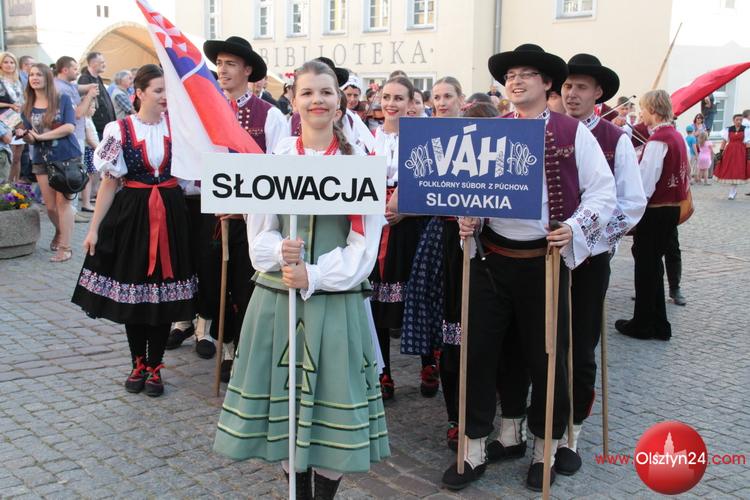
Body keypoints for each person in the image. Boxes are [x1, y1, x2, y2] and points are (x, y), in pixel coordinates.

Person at [442, 44, 615, 492]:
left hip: (545, 263)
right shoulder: (490, 131)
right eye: (510, 75)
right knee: (479, 354)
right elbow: (469, 187)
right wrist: (469, 216)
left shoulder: (572, 132)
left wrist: (574, 227)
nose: (516, 81)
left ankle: (545, 448)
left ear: (547, 83)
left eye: (526, 74)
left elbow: (603, 192)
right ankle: (474, 447)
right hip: (491, 260)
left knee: (548, 360)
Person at [212, 59, 389, 500]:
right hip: (278, 302)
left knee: (332, 410)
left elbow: (364, 246)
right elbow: (259, 237)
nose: (317, 100)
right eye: (307, 92)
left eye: (326, 92)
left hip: (335, 301)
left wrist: (316, 273)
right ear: (293, 100)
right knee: (287, 413)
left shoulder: (359, 163)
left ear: (340, 101)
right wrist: (279, 251)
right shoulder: (276, 160)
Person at [167, 36, 287, 381]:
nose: (222, 70)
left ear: (248, 70)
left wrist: (248, 207)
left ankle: (244, 353)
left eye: (230, 64)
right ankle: (225, 343)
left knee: (246, 284)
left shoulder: (270, 115)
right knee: (213, 282)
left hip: (253, 218)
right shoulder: (203, 112)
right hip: (211, 214)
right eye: (219, 63)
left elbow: (277, 169)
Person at [71, 64, 196, 397]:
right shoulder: (119, 129)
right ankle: (138, 362)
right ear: (139, 93)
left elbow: (192, 177)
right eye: (158, 90)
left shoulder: (178, 127)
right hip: (133, 217)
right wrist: (94, 229)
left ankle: (155, 365)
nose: (165, 97)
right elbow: (109, 182)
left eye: (168, 91)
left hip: (170, 215)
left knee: (164, 293)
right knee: (135, 292)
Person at [557, 53, 646, 474]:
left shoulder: (615, 139)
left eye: (581, 87)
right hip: (540, 258)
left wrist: (586, 238)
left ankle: (572, 431)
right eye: (567, 85)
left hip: (589, 261)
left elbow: (631, 205)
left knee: (580, 346)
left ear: (598, 94)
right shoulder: (546, 131)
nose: (572, 93)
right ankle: (536, 424)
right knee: (541, 342)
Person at [402, 76, 465, 451]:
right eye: (436, 97)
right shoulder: (424, 137)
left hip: (468, 238)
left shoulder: (476, 136)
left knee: (463, 319)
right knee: (432, 310)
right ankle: (439, 375)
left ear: (460, 99)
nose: (441, 102)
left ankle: (468, 407)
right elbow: (414, 188)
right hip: (436, 233)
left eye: (447, 96)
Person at [368, 75, 428, 402]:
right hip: (375, 226)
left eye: (399, 98)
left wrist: (406, 208)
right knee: (377, 299)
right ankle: (383, 370)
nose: (391, 104)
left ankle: (428, 362)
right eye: (387, 97)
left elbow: (432, 186)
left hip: (412, 227)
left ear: (411, 103)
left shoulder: (422, 139)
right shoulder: (367, 137)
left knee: (417, 296)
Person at [616, 90, 689, 341]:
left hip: (655, 210)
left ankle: (643, 323)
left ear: (654, 111)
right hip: (670, 209)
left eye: (644, 110)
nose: (642, 114)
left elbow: (645, 185)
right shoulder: (675, 136)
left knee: (646, 267)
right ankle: (659, 323)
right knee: (654, 266)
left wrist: (630, 213)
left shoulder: (659, 140)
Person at [18, 63, 81, 262]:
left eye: (39, 74)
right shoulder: (26, 106)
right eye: (31, 75)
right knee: (51, 207)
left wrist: (40, 137)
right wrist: (25, 135)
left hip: (66, 156)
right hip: (41, 159)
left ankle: (65, 247)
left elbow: (69, 127)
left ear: (47, 78)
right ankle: (60, 231)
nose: (34, 78)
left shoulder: (62, 99)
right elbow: (31, 138)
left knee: (64, 203)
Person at [54, 56, 99, 213]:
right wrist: (90, 95)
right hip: (72, 137)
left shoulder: (67, 85)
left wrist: (89, 87)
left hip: (74, 136)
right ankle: (70, 213)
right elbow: (77, 114)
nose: (78, 72)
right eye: (75, 69)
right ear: (65, 70)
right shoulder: (63, 89)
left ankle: (71, 212)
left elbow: (77, 87)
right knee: (73, 176)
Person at [78, 52, 116, 140]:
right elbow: (85, 104)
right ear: (93, 64)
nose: (104, 65)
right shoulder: (85, 79)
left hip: (105, 127)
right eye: (102, 62)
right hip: (97, 129)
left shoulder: (98, 78)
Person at [0, 52, 25, 183]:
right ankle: (6, 186)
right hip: (5, 116)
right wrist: (10, 105)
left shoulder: (18, 80)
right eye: (6, 62)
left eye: (12, 62)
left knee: (17, 156)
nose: (9, 65)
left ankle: (14, 184)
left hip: (19, 116)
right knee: (9, 154)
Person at [713, 113, 750, 199]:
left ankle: (733, 191)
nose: (739, 121)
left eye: (740, 120)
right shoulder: (728, 129)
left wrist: (748, 155)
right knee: (730, 170)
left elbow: (747, 143)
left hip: (741, 152)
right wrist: (720, 153)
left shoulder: (746, 130)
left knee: (737, 170)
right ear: (733, 120)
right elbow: (724, 142)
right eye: (737, 120)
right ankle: (733, 190)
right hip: (729, 152)